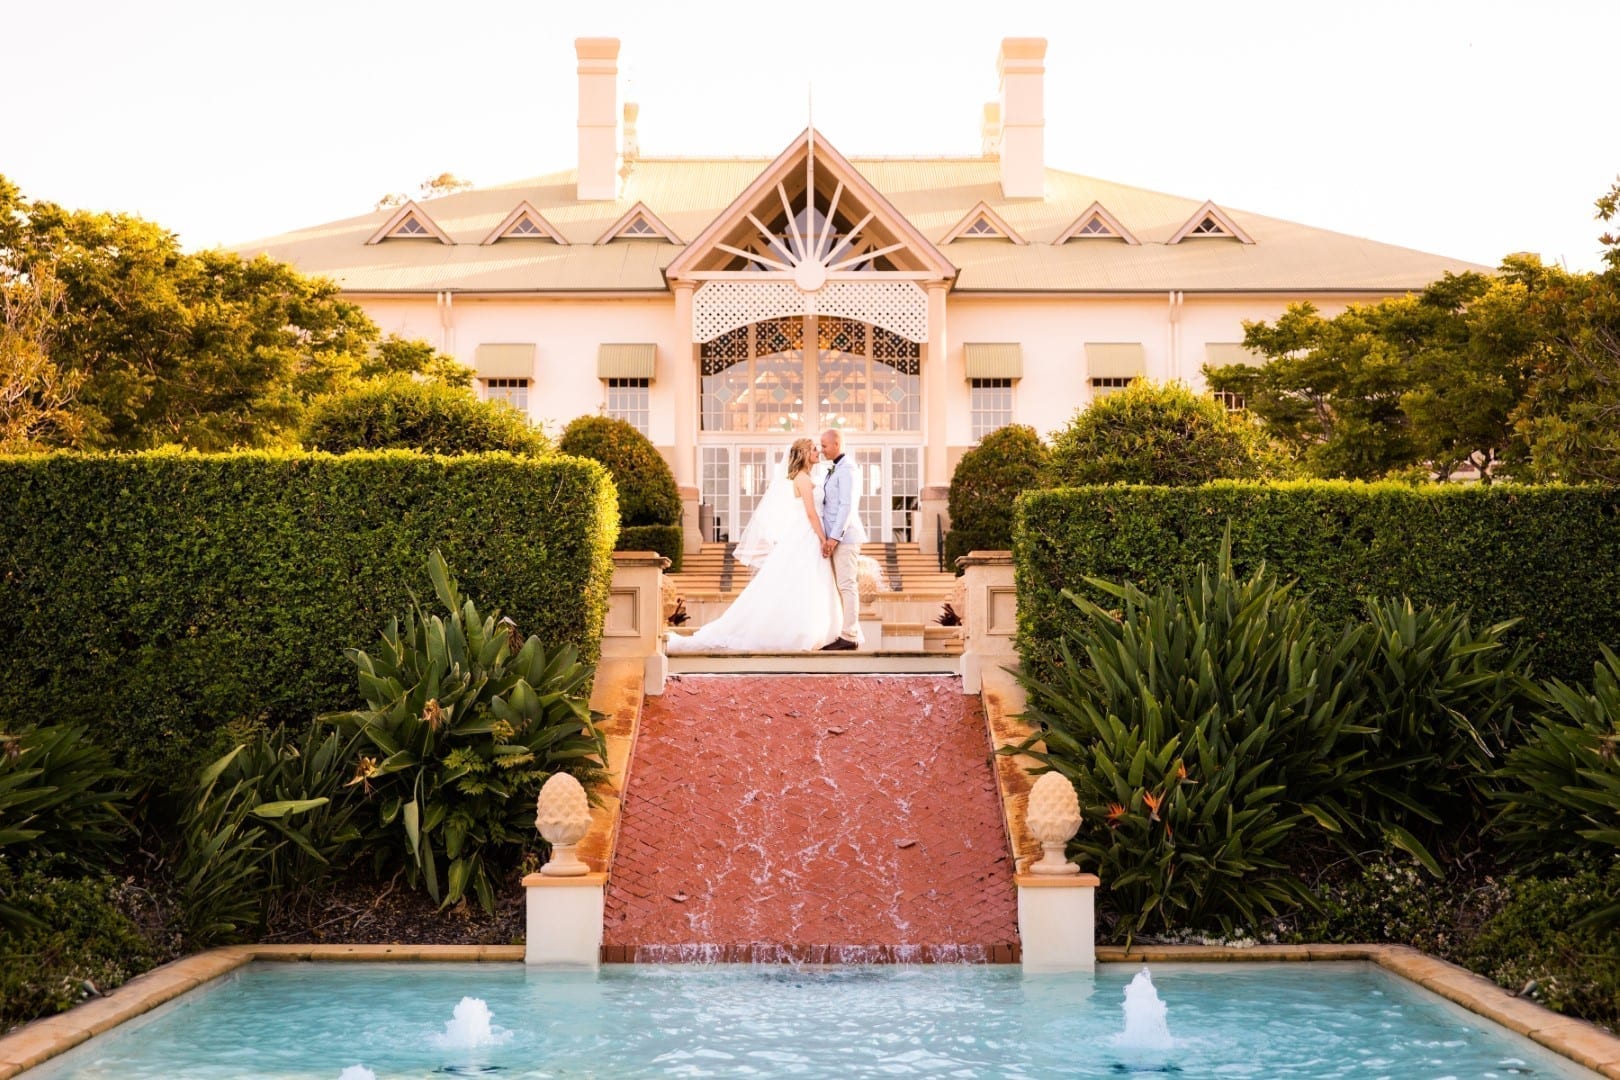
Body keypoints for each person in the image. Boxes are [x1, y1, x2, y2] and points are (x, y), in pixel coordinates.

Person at [666, 438, 843, 653]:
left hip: (806, 535)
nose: (817, 452)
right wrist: (824, 538)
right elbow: (810, 513)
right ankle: (800, 632)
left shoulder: (807, 477)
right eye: (813, 449)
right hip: (807, 534)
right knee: (803, 579)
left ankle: (808, 629)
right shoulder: (803, 479)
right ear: (804, 454)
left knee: (807, 581)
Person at [818, 427, 867, 651]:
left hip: (845, 538)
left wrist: (834, 538)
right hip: (835, 538)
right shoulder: (835, 468)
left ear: (836, 444)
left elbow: (846, 506)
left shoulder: (848, 469)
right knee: (840, 586)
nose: (821, 449)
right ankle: (842, 631)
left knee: (847, 585)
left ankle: (849, 635)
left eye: (824, 445)